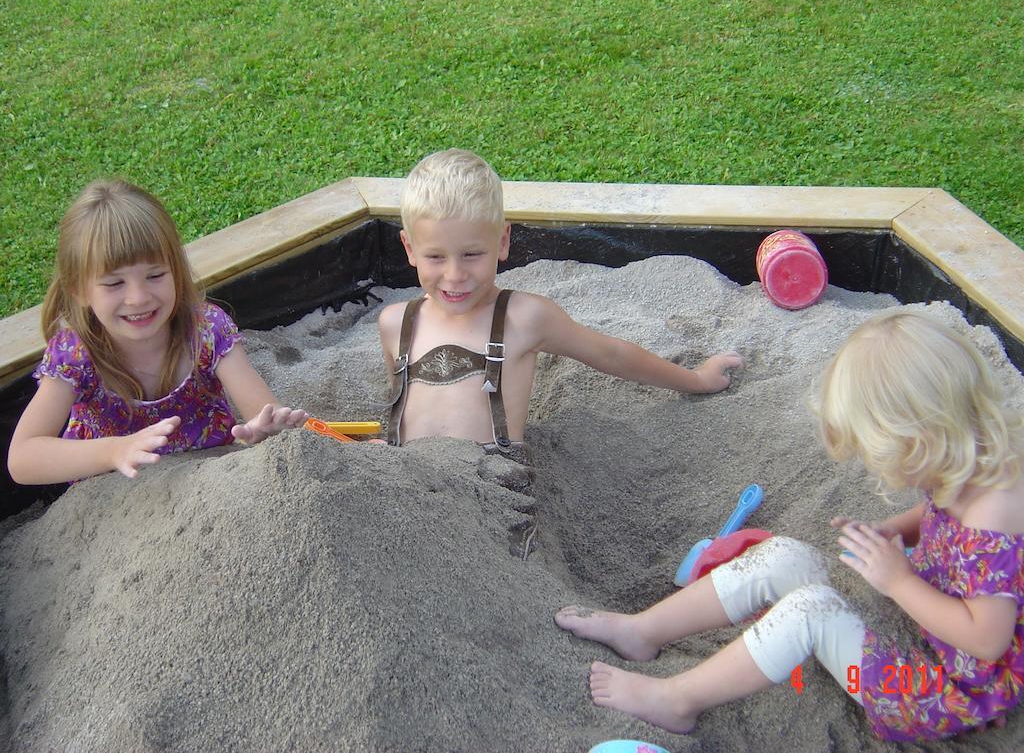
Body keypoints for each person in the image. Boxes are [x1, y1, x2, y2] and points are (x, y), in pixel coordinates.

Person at [554, 311, 1024, 742]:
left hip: (928, 695)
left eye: (881, 456)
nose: (879, 470)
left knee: (810, 611)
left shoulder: (993, 513)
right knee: (786, 554)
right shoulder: (965, 463)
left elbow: (987, 639)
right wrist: (893, 531)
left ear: (920, 437)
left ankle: (676, 701)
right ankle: (643, 631)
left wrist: (897, 580)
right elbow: (941, 518)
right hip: (925, 631)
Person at [378, 148, 743, 451]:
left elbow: (611, 354)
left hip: (489, 495)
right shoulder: (396, 324)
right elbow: (409, 418)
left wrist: (697, 379)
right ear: (410, 248)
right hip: (411, 489)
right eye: (436, 257)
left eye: (472, 254)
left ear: (502, 242)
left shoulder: (523, 318)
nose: (455, 275)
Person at [7, 179, 309, 484]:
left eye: (155, 275)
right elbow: (22, 459)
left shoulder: (206, 331)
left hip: (209, 483)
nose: (138, 297)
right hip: (111, 500)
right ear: (79, 290)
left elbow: (263, 412)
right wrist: (114, 451)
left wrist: (264, 428)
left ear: (176, 273)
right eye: (114, 283)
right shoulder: (75, 354)